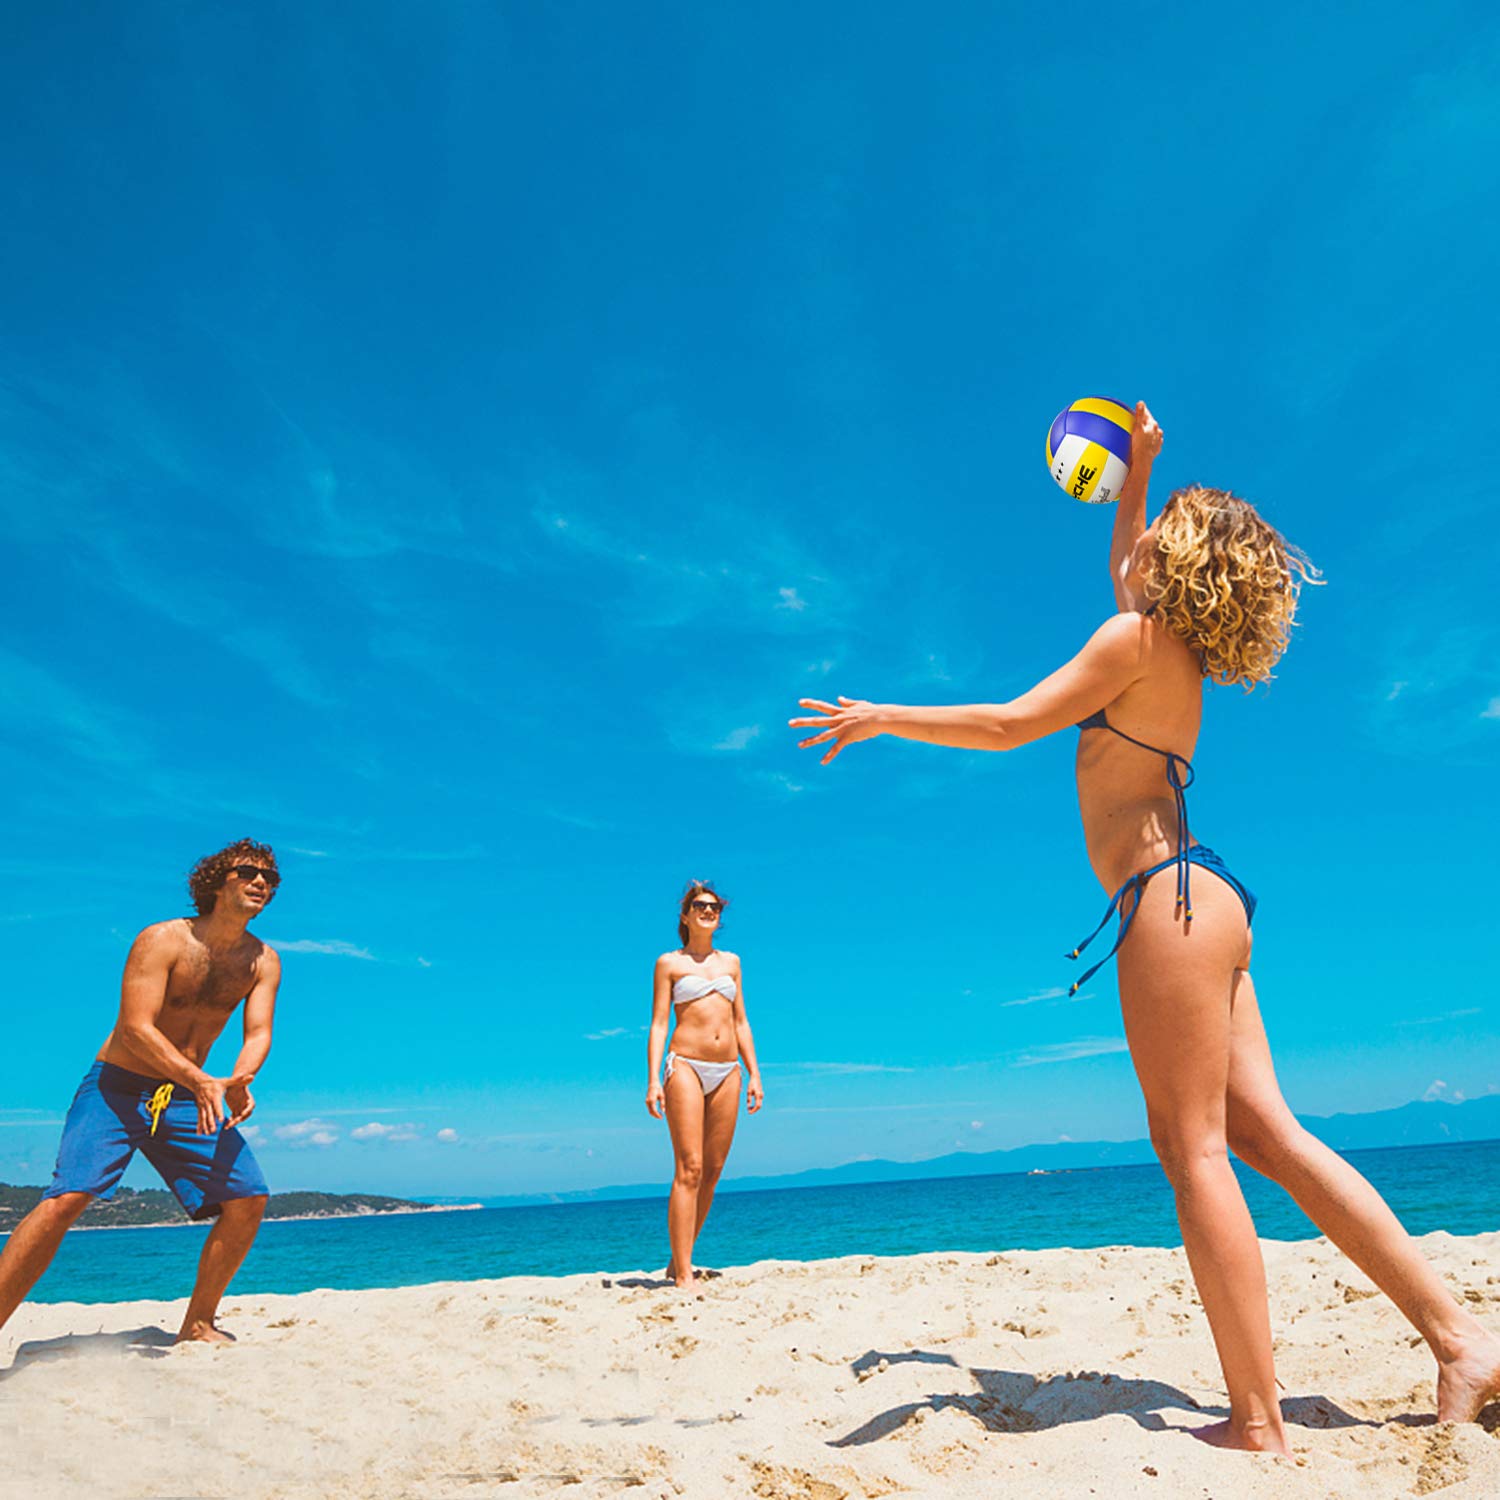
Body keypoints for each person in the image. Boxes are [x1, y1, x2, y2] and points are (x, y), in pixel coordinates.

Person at [788, 403, 1500, 1452]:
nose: (1147, 534)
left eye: (1164, 522)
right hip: (1209, 897)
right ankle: (1460, 1340)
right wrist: (1142, 470)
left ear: (1186, 556)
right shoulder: (1171, 650)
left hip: (1166, 905)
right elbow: (1125, 561)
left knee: (1198, 1152)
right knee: (1271, 1138)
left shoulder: (1135, 640)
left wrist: (885, 716)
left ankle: (1257, 1420)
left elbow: (1011, 723)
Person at [0, 839, 283, 1345]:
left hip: (185, 1097)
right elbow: (135, 1029)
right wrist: (200, 1080)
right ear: (218, 881)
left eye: (270, 877)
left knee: (248, 1198)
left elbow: (257, 1032)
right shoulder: (162, 940)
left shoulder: (262, 960)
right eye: (248, 872)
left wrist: (241, 1078)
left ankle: (198, 1323)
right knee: (68, 1198)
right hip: (119, 1087)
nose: (262, 882)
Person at [646, 881, 764, 1289]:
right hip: (686, 1066)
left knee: (712, 1170)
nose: (708, 911)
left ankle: (679, 1259)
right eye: (699, 905)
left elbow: (741, 1021)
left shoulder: (732, 962)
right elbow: (660, 1022)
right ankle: (683, 1275)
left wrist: (755, 1073)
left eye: (714, 907)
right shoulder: (669, 963)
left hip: (728, 1069)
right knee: (690, 1168)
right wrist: (652, 1081)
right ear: (685, 914)